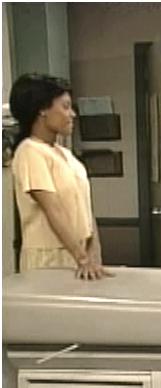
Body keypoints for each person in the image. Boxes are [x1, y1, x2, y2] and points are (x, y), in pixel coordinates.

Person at [9, 73, 111, 280]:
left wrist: (93, 254)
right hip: (49, 260)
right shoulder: (30, 151)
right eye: (65, 107)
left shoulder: (65, 154)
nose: (72, 114)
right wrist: (82, 258)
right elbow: (52, 209)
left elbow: (85, 209)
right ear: (42, 110)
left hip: (79, 255)